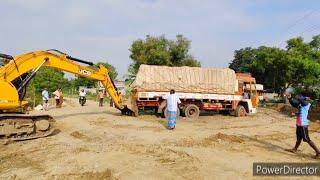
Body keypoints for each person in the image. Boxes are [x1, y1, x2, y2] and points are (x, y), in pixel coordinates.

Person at [285, 93, 320, 158]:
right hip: (299, 124)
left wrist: (304, 98)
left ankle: (318, 152)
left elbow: (300, 99)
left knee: (307, 139)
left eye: (301, 97)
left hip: (303, 125)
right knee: (298, 138)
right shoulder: (301, 104)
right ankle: (295, 149)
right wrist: (289, 98)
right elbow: (294, 103)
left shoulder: (306, 104)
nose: (299, 98)